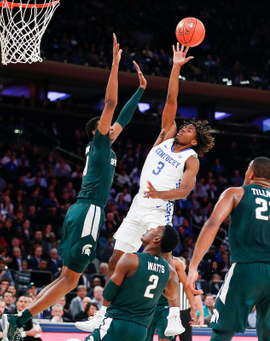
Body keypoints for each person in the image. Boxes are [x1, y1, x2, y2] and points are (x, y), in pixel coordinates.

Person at [1, 34, 146, 341]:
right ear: (98, 130)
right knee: (70, 280)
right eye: (107, 126)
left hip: (79, 211)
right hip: (89, 210)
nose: (114, 128)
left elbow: (124, 116)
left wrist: (141, 91)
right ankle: (22, 318)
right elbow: (111, 104)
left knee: (67, 279)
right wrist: (115, 65)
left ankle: (20, 318)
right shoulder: (99, 141)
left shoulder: (104, 148)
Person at [79, 43, 214, 336]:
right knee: (116, 258)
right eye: (184, 127)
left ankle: (175, 316)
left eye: (189, 130)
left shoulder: (191, 159)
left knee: (164, 262)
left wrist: (159, 195)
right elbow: (171, 101)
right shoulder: (166, 135)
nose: (183, 129)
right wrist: (176, 67)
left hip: (159, 208)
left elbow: (185, 193)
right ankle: (102, 314)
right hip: (139, 203)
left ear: (194, 141)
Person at [186, 157, 270, 341]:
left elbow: (212, 224)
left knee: (223, 329)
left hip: (247, 266)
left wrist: (194, 266)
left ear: (250, 173)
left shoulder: (236, 193)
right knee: (268, 335)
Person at [82, 224, 180, 341]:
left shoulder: (130, 259)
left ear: (156, 239)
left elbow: (108, 294)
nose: (149, 228)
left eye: (154, 229)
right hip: (141, 331)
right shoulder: (169, 270)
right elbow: (172, 295)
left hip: (116, 323)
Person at [145, 257, 197, 341]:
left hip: (166, 306)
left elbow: (186, 285)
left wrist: (193, 308)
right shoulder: (146, 259)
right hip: (148, 305)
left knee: (165, 338)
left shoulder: (176, 262)